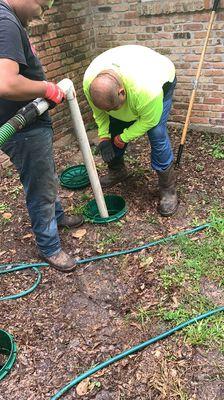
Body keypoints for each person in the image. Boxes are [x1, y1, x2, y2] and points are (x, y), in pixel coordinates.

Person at [0, 0, 84, 273]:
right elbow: (7, 82)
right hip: (22, 125)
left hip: (30, 121)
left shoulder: (10, 19)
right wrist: (46, 88)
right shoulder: (6, 21)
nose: (44, 13)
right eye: (44, 6)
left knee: (45, 176)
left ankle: (57, 217)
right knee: (40, 185)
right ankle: (50, 247)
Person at [83, 45, 178, 216]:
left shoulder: (147, 90)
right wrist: (104, 137)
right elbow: (99, 113)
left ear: (121, 92)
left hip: (162, 77)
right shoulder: (90, 84)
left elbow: (149, 120)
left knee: (157, 133)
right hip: (127, 71)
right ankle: (117, 170)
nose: (113, 112)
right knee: (114, 126)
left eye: (115, 107)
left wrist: (125, 137)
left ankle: (168, 188)